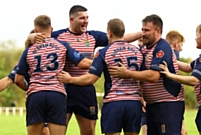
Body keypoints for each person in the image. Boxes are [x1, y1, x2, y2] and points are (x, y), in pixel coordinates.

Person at [26, 5, 142, 135]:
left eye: (87, 17)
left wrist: (142, 33)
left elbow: (119, 38)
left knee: (89, 131)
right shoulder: (58, 36)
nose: (86, 21)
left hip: (85, 87)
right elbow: (39, 36)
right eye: (82, 18)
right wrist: (29, 38)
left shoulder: (93, 36)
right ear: (71, 20)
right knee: (55, 130)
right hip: (65, 87)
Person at [57, 18, 143, 135]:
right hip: (134, 103)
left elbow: (90, 79)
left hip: (114, 102)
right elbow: (145, 78)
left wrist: (70, 79)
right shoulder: (137, 52)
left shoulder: (104, 52)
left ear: (109, 33)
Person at [15, 15, 91, 135]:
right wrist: (102, 61)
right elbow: (82, 63)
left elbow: (18, 79)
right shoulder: (62, 46)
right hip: (56, 94)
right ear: (51, 29)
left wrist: (30, 88)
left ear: (35, 31)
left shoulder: (28, 50)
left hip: (36, 95)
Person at [108, 14, 184, 135]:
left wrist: (127, 73)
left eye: (147, 30)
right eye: (142, 30)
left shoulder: (162, 48)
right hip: (152, 105)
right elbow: (118, 40)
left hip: (168, 103)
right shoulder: (144, 49)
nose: (143, 33)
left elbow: (153, 76)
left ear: (158, 31)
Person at [165, 30, 187, 135]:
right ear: (176, 43)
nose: (181, 48)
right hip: (173, 98)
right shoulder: (174, 53)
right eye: (181, 45)